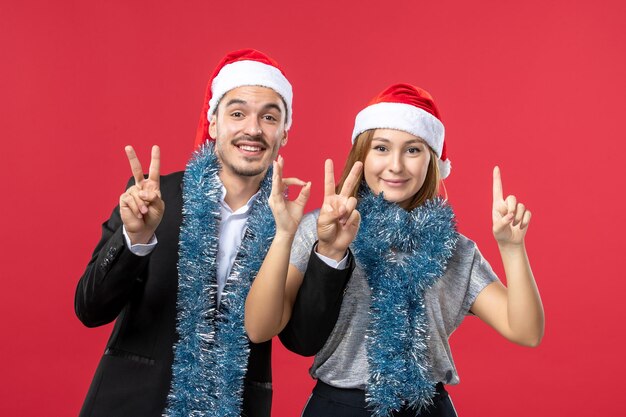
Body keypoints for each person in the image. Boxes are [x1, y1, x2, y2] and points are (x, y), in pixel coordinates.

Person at [245, 83, 545, 416]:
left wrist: (512, 248)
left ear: (431, 161)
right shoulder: (320, 227)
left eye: (413, 150)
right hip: (340, 406)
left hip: (426, 407)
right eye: (382, 148)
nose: (396, 166)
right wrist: (300, 239)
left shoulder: (453, 248)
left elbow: (525, 330)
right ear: (362, 155)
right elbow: (259, 327)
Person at [74, 49, 318, 417]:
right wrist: (134, 240)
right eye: (237, 113)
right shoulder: (157, 199)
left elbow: (301, 339)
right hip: (134, 403)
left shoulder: (292, 223)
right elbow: (90, 310)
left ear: (285, 131)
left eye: (269, 117)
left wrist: (328, 252)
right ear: (214, 122)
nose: (253, 129)